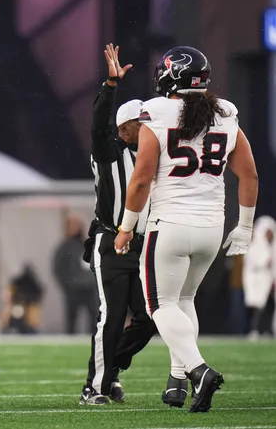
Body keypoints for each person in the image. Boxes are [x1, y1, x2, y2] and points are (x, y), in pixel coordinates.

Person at [114, 46, 259, 412]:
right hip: (212, 226)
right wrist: (244, 227)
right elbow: (249, 174)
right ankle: (178, 382)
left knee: (159, 304)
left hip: (171, 225)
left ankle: (198, 370)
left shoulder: (157, 113)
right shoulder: (225, 113)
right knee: (184, 300)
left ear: (168, 76)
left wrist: (127, 227)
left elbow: (141, 178)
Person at [80, 43, 158, 406]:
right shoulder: (109, 149)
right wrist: (111, 86)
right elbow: (98, 124)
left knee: (148, 319)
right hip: (111, 242)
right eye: (140, 125)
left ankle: (109, 372)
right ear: (124, 128)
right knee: (111, 317)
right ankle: (94, 388)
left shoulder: (153, 155)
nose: (147, 131)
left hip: (141, 245)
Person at [53, 215, 97, 334]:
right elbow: (58, 269)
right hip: (73, 289)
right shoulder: (64, 248)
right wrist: (67, 286)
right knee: (72, 317)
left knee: (94, 316)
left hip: (89, 288)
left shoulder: (87, 245)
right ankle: (70, 337)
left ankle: (94, 337)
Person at [243, 215, 276, 338]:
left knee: (268, 308)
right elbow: (252, 262)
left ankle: (267, 331)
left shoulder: (272, 246)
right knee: (257, 307)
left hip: (268, 282)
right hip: (257, 281)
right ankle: (253, 330)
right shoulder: (255, 246)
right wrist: (264, 262)